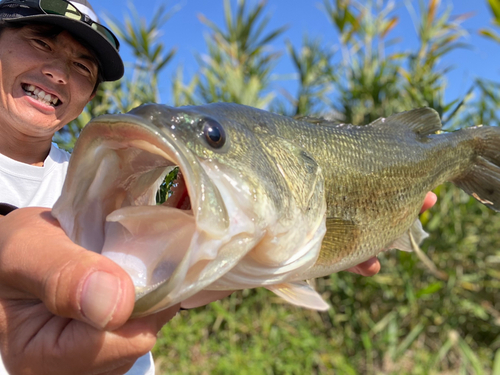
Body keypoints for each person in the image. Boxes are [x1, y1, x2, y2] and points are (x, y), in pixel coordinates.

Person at [0, 0, 438, 374]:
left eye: (82, 66)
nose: (59, 73)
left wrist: (260, 254)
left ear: (90, 95)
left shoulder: (94, 183)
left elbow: (170, 269)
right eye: (40, 43)